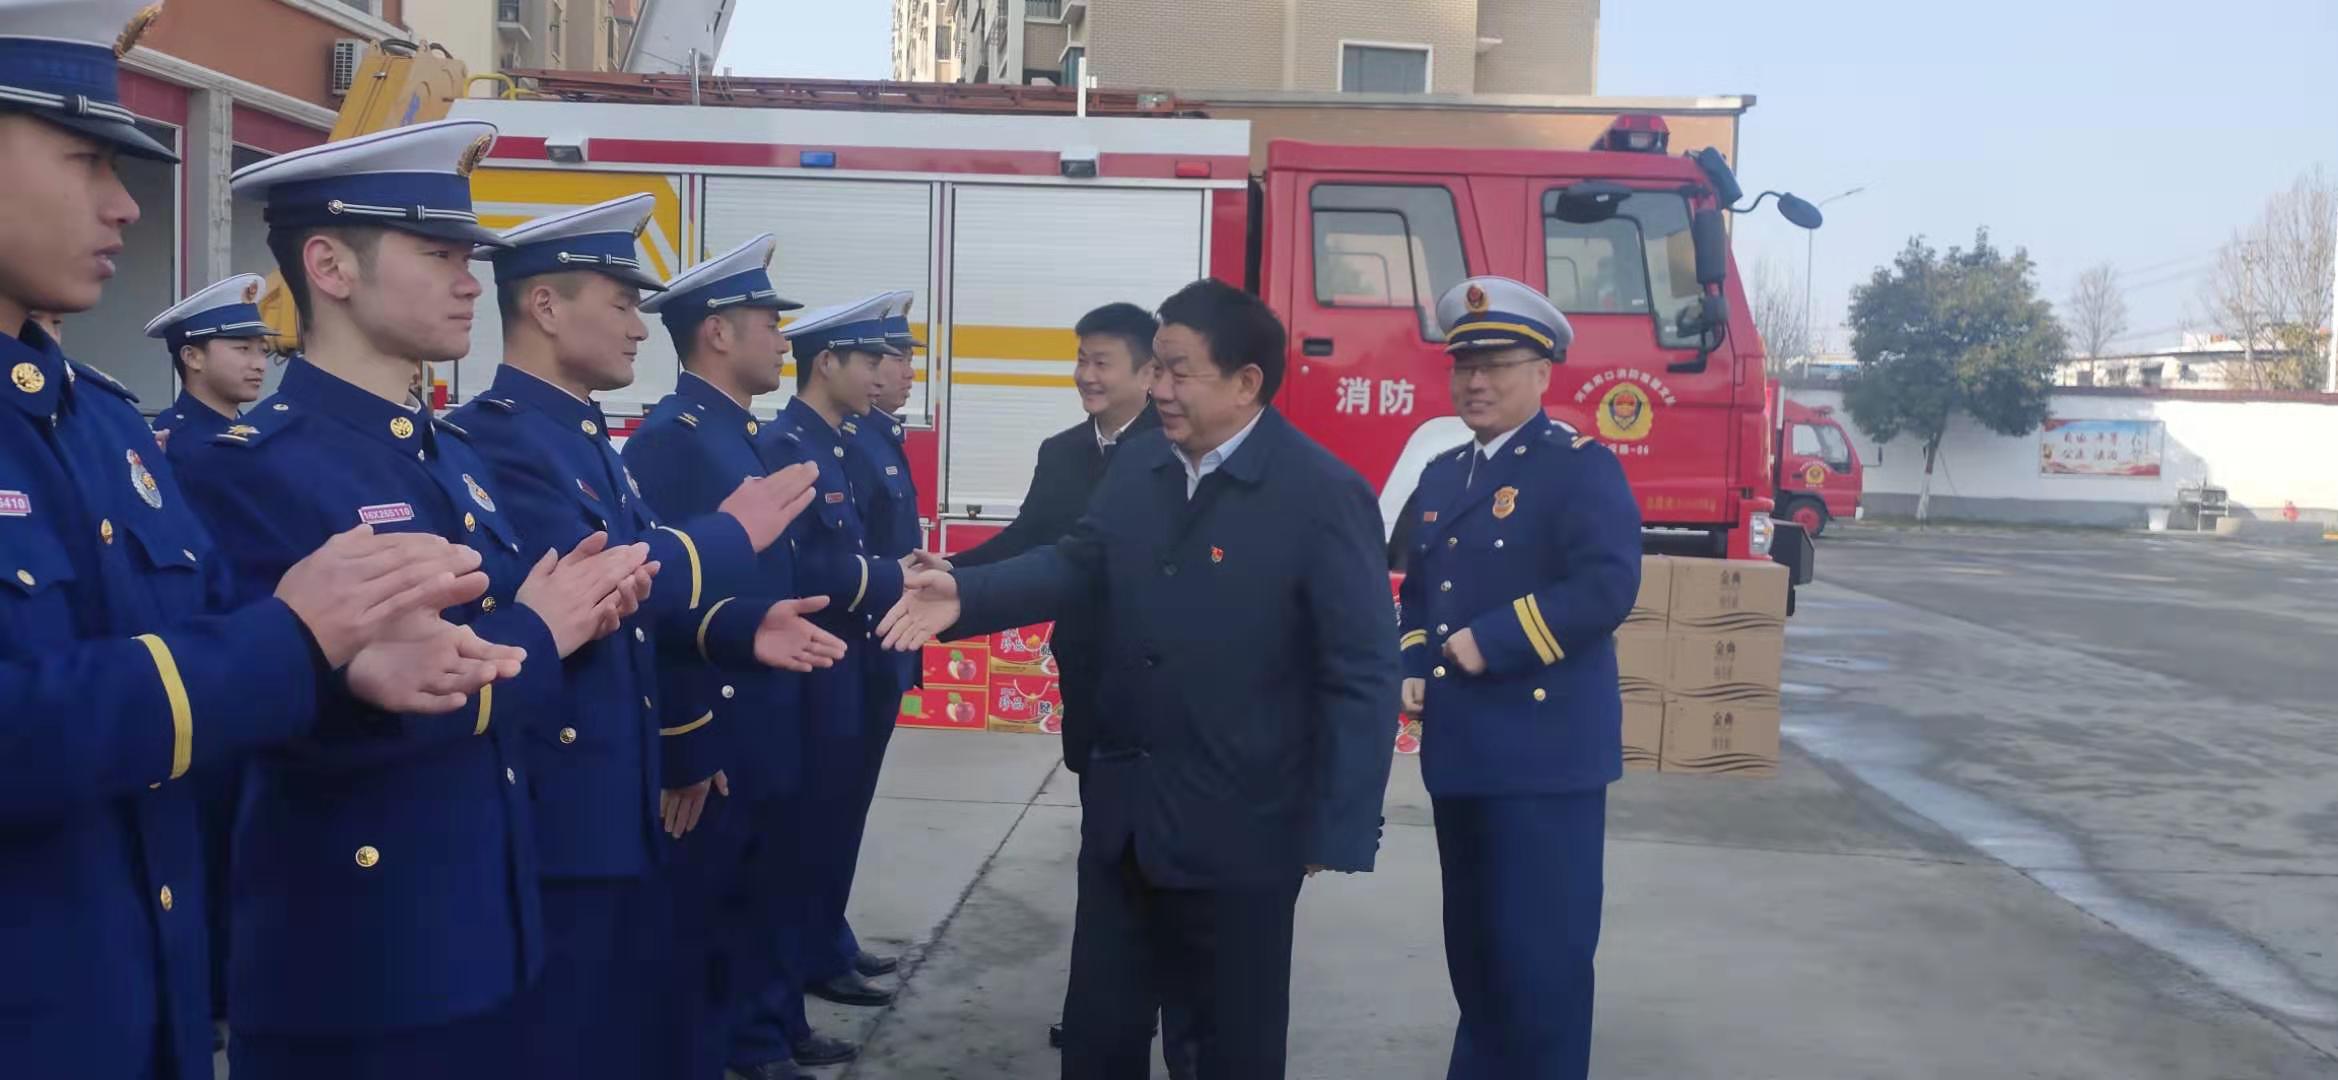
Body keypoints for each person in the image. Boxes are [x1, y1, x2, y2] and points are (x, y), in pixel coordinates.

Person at [0, 6, 522, 1077]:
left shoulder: (97, 423)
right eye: (86, 160)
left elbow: (205, 653)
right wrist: (295, 640)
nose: (123, 203)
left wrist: (345, 667)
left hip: (139, 1006)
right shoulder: (176, 442)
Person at [178, 118, 659, 1080]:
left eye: (467, 257)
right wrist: (541, 633)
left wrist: (557, 624)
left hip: (489, 925)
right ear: (330, 266)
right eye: (437, 254)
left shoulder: (453, 453)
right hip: (361, 960)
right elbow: (279, 719)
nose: (470, 281)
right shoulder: (250, 467)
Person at [879, 278, 1399, 1080]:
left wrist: (1338, 824)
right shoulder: (1142, 463)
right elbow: (1078, 561)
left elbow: (1362, 671)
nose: (1158, 388)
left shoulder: (1321, 494)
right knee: (1100, 1031)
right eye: (1155, 367)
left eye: (1178, 371)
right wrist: (967, 594)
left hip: (1246, 825)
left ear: (1246, 382)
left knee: (1226, 1043)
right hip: (1126, 810)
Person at [445, 195, 847, 1080]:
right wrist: (726, 537)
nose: (640, 326)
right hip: (565, 803)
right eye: (622, 303)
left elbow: (645, 612)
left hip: (616, 794)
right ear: (546, 307)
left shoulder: (581, 434)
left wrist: (740, 625)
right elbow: (598, 592)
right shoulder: (499, 442)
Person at [623, 235, 857, 1080]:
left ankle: (767, 1029)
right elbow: (664, 601)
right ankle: (734, 1047)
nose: (782, 339)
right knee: (709, 910)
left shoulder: (739, 432)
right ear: (718, 332)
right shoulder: (673, 439)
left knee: (764, 888)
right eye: (768, 323)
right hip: (720, 717)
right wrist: (687, 735)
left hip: (766, 707)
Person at [1395, 277, 1642, 1080]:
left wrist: (1493, 641)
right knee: (1477, 956)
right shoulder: (1441, 476)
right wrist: (1414, 661)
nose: (1476, 381)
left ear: (1542, 372)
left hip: (1545, 759)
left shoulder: (1579, 469)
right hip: (1463, 753)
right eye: (1464, 365)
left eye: (1497, 365)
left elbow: (1606, 588)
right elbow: (1419, 593)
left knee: (1542, 965)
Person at [932, 301, 1177, 1066]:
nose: (1085, 376)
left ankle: (1133, 1007)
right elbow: (1031, 541)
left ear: (1148, 371)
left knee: (1150, 860)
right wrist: (952, 576)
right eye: (1080, 360)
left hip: (1161, 695)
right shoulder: (1063, 451)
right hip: (1090, 681)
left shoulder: (1175, 450)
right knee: (1103, 852)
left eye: (1102, 362)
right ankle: (1107, 1010)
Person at [725, 293, 911, 1080]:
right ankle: (777, 1006)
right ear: (827, 363)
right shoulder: (785, 444)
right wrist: (892, 578)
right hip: (816, 661)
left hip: (855, 655)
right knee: (796, 843)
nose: (885, 373)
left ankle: (807, 970)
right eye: (872, 359)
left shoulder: (843, 440)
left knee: (828, 828)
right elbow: (802, 564)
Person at [147, 273, 273, 463]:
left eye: (263, 350)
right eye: (243, 349)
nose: (259, 365)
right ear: (192, 357)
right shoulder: (172, 441)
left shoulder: (254, 433)